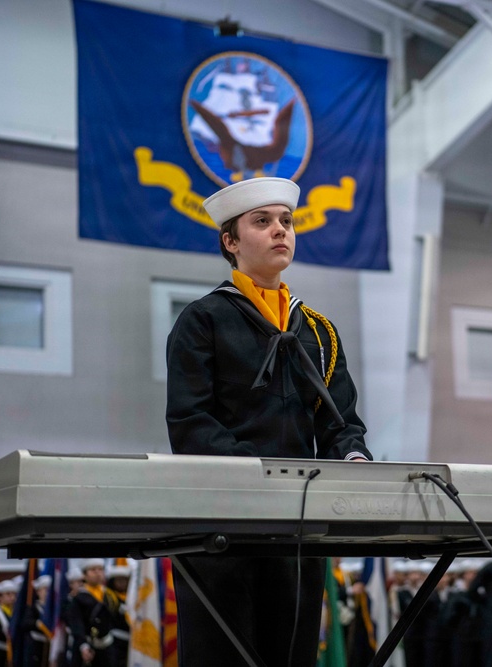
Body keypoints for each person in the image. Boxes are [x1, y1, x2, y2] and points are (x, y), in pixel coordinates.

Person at [165, 176, 372, 666]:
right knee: (225, 657)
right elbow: (190, 421)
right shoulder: (203, 320)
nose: (281, 231)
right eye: (263, 222)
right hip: (222, 525)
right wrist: (264, 474)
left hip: (298, 530)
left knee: (293, 655)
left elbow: (341, 422)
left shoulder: (319, 330)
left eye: (287, 221)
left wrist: (355, 456)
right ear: (230, 242)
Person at [67, 559, 119, 666]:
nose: (97, 573)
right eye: (93, 570)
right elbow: (76, 623)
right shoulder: (79, 597)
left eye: (100, 569)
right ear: (84, 575)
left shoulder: (109, 595)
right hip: (87, 646)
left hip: (107, 647)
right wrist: (83, 646)